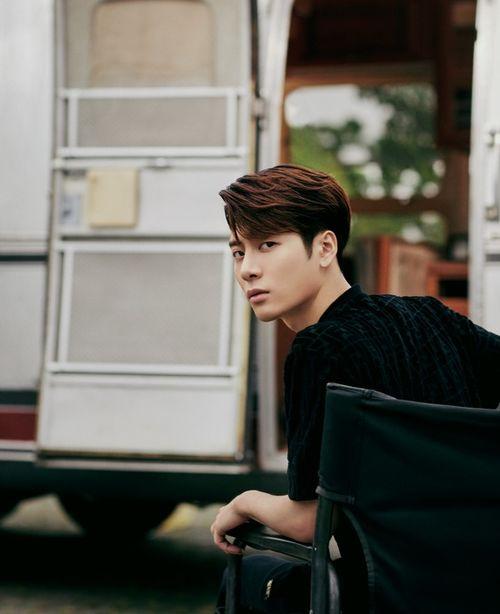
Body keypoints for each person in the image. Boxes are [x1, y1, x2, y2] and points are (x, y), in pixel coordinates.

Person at [211, 163, 500, 613]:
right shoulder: (432, 316)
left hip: (381, 593)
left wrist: (246, 501)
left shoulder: (320, 349)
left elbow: (309, 521)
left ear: (325, 247)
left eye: (268, 244)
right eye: (238, 251)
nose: (248, 269)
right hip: (480, 584)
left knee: (248, 576)